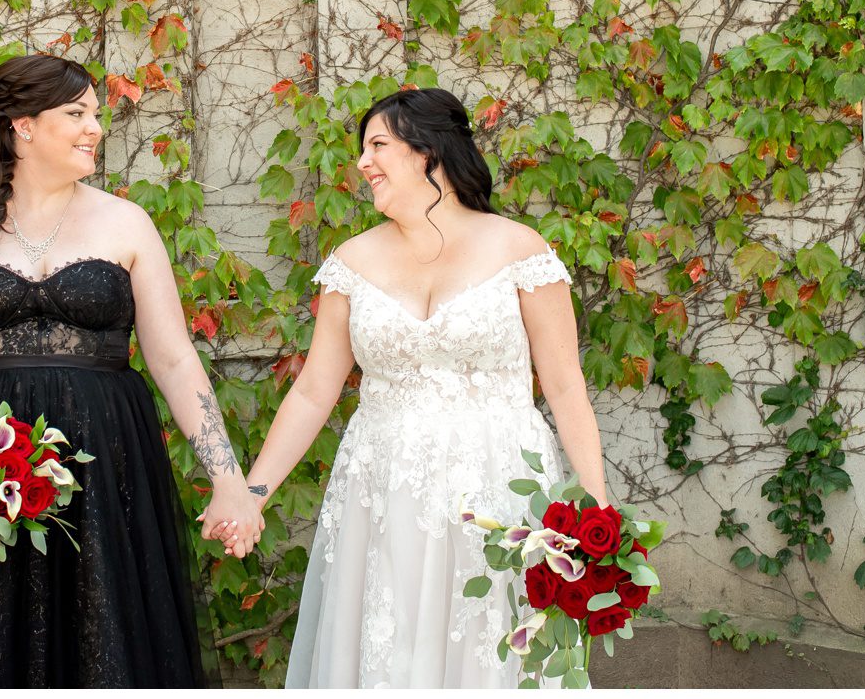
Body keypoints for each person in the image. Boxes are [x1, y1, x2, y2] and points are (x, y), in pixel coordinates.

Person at [0, 52, 262, 686]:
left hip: (107, 471)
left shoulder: (126, 222)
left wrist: (227, 478)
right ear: (23, 126)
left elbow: (173, 359)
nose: (96, 128)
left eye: (96, 114)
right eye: (77, 114)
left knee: (104, 642)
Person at [230, 87, 610, 687]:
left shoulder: (518, 249)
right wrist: (252, 492)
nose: (363, 162)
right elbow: (312, 391)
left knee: (492, 648)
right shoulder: (350, 263)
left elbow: (564, 387)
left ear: (428, 150)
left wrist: (595, 506)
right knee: (391, 644)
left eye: (378, 144)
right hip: (382, 491)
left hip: (498, 482)